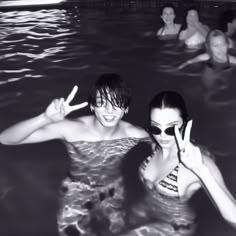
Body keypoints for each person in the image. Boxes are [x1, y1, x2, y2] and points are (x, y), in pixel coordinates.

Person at [0, 73, 150, 236]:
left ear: (126, 108)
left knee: (117, 231)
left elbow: (165, 143)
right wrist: (45, 118)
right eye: (102, 103)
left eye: (117, 103)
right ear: (92, 105)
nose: (109, 110)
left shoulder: (134, 134)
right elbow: (6, 139)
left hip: (113, 190)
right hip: (76, 191)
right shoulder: (72, 129)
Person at [119, 91, 236, 236]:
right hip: (146, 207)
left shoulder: (199, 161)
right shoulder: (153, 145)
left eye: (171, 128)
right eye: (155, 127)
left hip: (175, 224)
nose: (162, 135)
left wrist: (201, 171)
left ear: (185, 124)